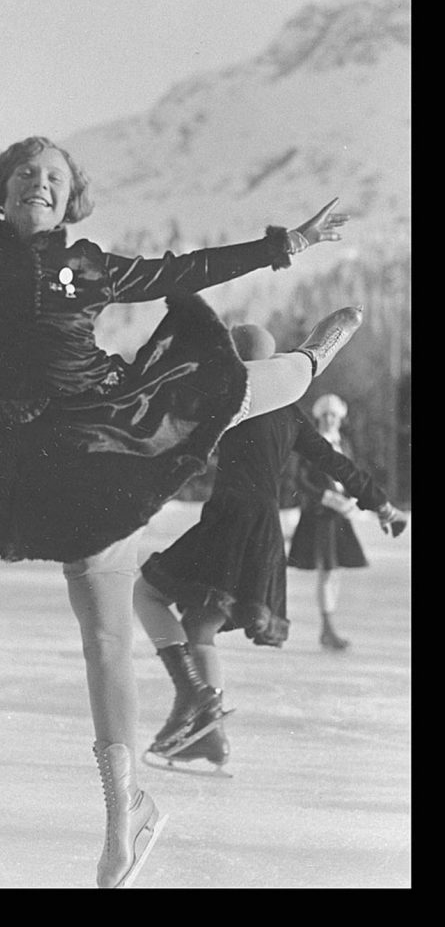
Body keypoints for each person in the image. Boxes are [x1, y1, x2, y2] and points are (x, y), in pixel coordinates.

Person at [0, 33, 363, 888]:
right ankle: (125, 816)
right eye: (26, 174)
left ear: (69, 202)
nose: (40, 183)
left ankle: (311, 363)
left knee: (234, 387)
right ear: (1, 190)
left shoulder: (91, 266)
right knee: (102, 640)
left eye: (54, 178)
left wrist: (286, 244)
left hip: (117, 423)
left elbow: (185, 266)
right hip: (43, 463)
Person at [133, 325, 408, 771]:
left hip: (230, 519)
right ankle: (212, 738)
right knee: (201, 627)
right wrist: (382, 505)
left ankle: (195, 695)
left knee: (145, 592)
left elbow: (167, 444)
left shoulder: (227, 402)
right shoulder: (290, 414)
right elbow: (336, 463)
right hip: (263, 528)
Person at [288, 393, 378, 649]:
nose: (329, 419)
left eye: (334, 415)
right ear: (318, 417)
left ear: (340, 418)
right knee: (328, 571)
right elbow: (299, 480)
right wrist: (325, 497)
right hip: (319, 515)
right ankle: (327, 629)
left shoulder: (343, 443)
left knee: (334, 572)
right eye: (325, 415)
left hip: (338, 516)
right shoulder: (310, 444)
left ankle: (328, 627)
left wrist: (352, 499)